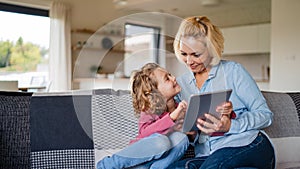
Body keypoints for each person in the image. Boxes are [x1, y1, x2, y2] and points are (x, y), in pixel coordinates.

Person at [167, 16, 275, 169]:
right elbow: (190, 134)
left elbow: (265, 115)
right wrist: (189, 133)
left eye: (196, 55)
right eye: (184, 54)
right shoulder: (181, 84)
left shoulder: (233, 71)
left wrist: (230, 126)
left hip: (247, 144)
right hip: (207, 154)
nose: (189, 61)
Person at [97, 63, 190, 169]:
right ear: (155, 92)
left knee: (182, 139)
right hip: (141, 155)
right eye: (167, 78)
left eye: (170, 75)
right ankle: (106, 165)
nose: (173, 78)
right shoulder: (150, 109)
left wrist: (190, 131)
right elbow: (145, 133)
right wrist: (172, 117)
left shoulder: (180, 107)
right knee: (162, 142)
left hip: (154, 163)